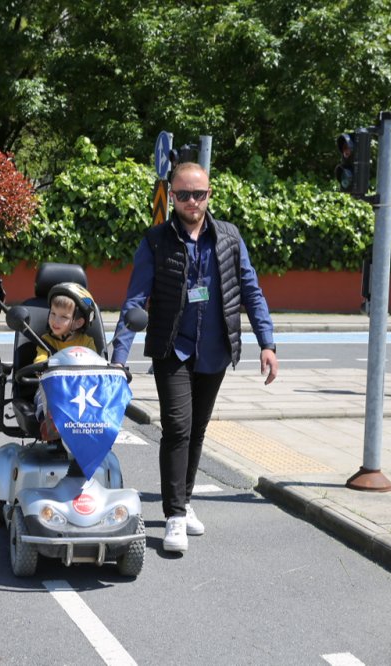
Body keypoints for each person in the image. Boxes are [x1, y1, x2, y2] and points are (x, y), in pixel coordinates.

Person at [111, 162, 278, 553]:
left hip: (215, 351)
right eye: (183, 194)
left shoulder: (230, 239)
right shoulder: (155, 241)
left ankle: (184, 503)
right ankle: (173, 515)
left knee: (197, 430)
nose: (191, 201)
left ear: (209, 195)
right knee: (177, 428)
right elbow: (135, 301)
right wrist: (119, 357)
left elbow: (251, 291)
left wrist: (267, 343)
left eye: (198, 194)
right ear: (172, 196)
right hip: (172, 348)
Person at [33, 283, 98, 437]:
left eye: (63, 317)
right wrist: (41, 366)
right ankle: (48, 424)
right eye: (53, 314)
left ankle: (96, 430)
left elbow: (95, 363)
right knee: (43, 396)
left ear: (78, 322)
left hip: (80, 388)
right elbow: (40, 359)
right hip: (52, 386)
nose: (55, 321)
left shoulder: (87, 342)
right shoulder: (46, 340)